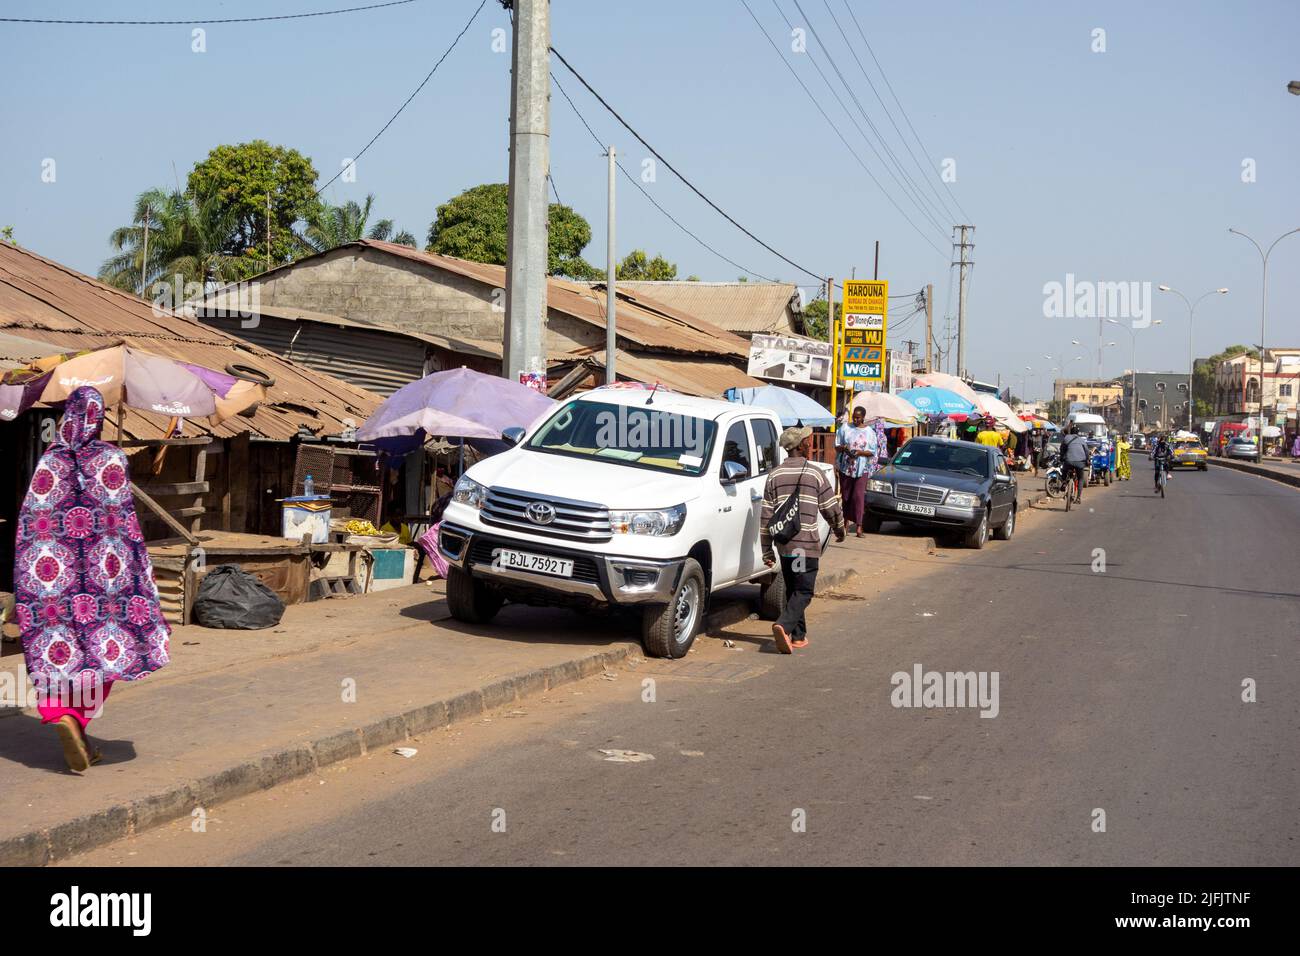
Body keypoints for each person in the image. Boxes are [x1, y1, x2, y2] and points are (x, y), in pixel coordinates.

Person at [13, 386, 170, 772]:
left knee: (53, 646)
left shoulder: (49, 461)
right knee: (108, 648)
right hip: (107, 578)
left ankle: (60, 716)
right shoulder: (112, 458)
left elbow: (30, 522)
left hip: (50, 577)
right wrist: (137, 570)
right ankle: (78, 720)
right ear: (100, 418)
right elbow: (125, 523)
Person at [761, 426, 846, 654]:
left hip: (785, 545)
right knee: (804, 591)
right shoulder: (814, 473)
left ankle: (799, 637)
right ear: (800, 446)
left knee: (793, 589)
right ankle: (784, 625)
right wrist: (839, 529)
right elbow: (830, 508)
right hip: (804, 545)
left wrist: (767, 550)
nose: (810, 442)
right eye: (807, 440)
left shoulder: (774, 475)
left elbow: (766, 516)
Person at [834, 405, 877, 537]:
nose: (856, 420)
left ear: (863, 417)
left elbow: (872, 452)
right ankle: (845, 523)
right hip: (846, 468)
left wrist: (860, 452)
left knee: (858, 497)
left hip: (862, 469)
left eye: (858, 417)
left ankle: (859, 526)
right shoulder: (845, 428)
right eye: (854, 417)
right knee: (846, 496)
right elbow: (836, 446)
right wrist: (844, 448)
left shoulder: (870, 432)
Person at [1059, 424, 1090, 503]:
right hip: (1080, 462)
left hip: (1068, 461)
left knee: (1064, 471)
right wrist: (1087, 460)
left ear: (1071, 432)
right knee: (1080, 479)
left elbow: (1062, 448)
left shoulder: (1066, 438)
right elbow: (1086, 451)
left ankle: (1064, 483)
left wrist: (1062, 457)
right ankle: (1078, 498)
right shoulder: (1082, 440)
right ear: (1078, 433)